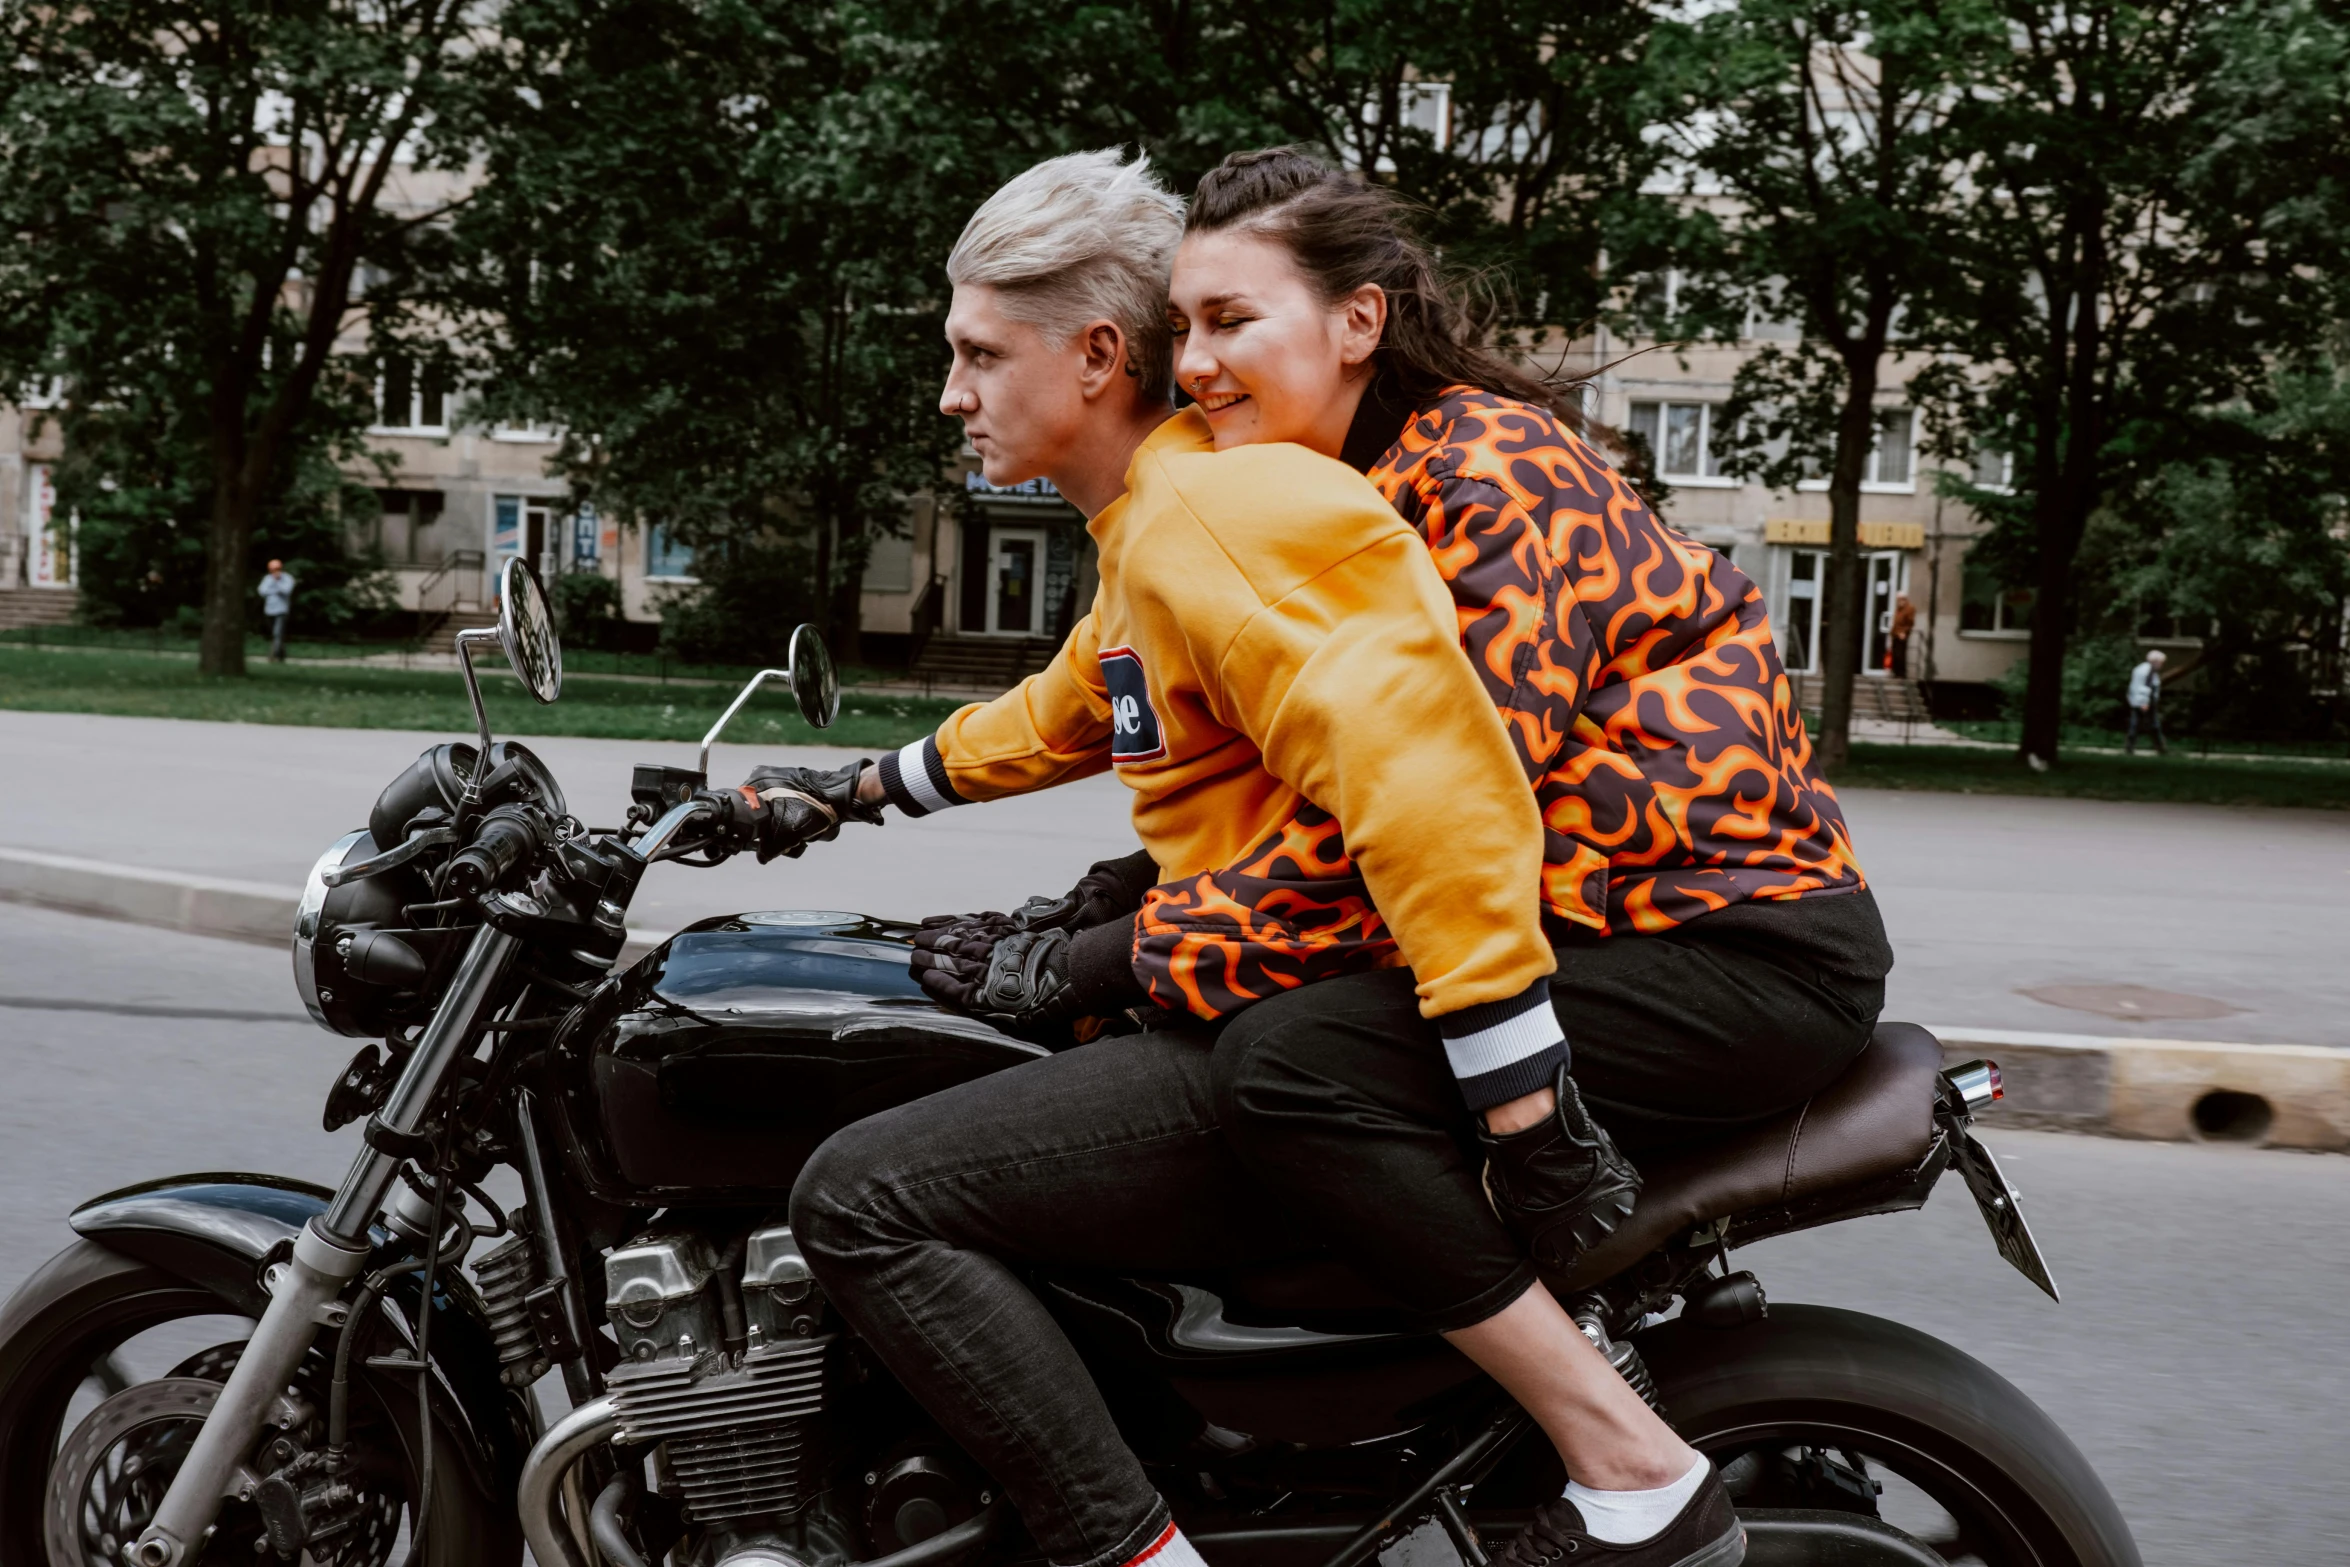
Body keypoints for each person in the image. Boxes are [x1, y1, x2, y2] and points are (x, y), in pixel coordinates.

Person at [734, 148, 1737, 1567]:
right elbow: (1078, 702)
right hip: (1268, 981)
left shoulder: (1221, 508)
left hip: (1355, 999)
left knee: (860, 1192)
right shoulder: (1163, 518)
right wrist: (847, 791)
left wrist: (1520, 1100)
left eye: (972, 354)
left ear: (1091, 355)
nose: (949, 394)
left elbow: (1433, 783)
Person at [2127, 649, 2167, 754]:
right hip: (2144, 702)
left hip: (2139, 701)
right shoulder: (2147, 672)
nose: (2161, 666)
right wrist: (2144, 703)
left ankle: (2130, 747)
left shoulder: (2144, 670)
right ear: (2155, 661)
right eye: (2161, 663)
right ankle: (2160, 748)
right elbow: (2144, 688)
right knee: (2150, 725)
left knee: (2137, 724)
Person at [257, 559, 296, 662]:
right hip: (269, 610)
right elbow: (262, 591)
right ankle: (281, 655)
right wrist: (274, 589)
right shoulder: (267, 579)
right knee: (276, 634)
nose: (275, 571)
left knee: (277, 633)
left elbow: (286, 591)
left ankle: (273, 656)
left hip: (282, 610)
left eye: (277, 569)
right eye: (272, 569)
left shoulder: (287, 578)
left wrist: (277, 584)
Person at [1889, 591, 1916, 677]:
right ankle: (1895, 672)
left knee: (1900, 654)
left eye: (1900, 599)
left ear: (1904, 599)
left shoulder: (1909, 609)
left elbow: (1910, 623)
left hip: (1902, 634)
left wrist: (1904, 632)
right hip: (1895, 633)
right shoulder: (1899, 609)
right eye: (1898, 600)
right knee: (1895, 653)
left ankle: (1901, 673)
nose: (1899, 602)